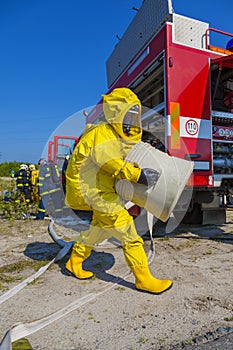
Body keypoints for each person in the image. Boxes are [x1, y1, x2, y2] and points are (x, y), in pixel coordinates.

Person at [65, 87, 172, 294]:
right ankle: (143, 279)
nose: (132, 120)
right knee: (129, 234)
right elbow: (109, 162)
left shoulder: (109, 133)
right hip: (94, 192)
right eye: (129, 114)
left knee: (97, 228)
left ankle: (74, 262)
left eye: (135, 114)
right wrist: (139, 176)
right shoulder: (101, 134)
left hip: (96, 190)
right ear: (117, 113)